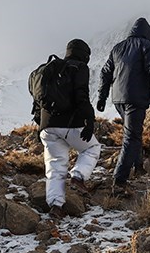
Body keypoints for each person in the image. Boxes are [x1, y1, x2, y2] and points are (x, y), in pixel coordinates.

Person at [97, 17, 150, 198]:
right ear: (148, 34)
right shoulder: (147, 46)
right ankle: (119, 181)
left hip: (118, 99)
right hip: (135, 98)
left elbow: (105, 73)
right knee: (132, 137)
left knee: (133, 133)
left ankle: (138, 167)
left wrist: (102, 96)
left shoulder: (118, 47)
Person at [34, 39, 101, 220]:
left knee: (55, 167)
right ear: (84, 54)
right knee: (92, 148)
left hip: (47, 127)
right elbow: (81, 95)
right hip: (71, 123)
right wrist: (89, 120)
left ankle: (56, 206)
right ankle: (78, 177)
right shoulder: (79, 68)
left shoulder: (50, 68)